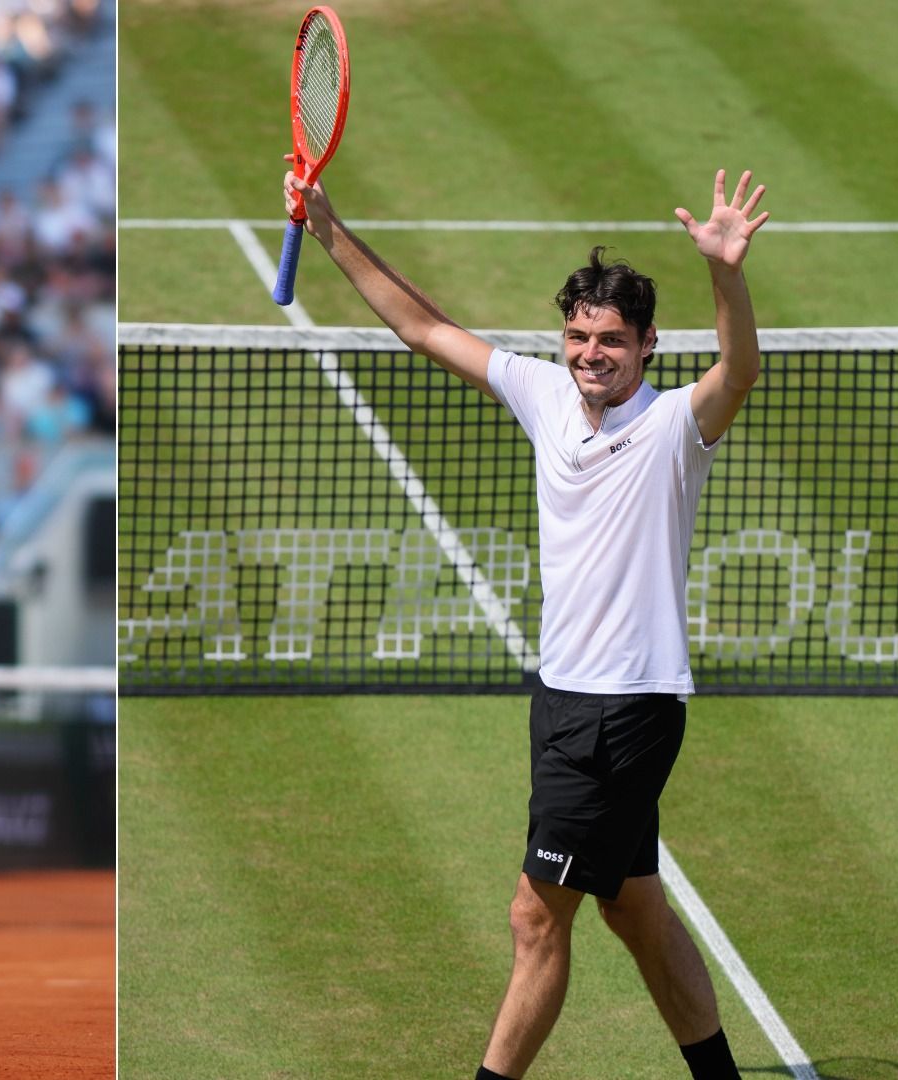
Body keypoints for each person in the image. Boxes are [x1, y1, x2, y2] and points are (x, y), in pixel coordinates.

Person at [285, 165, 770, 1080]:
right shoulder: (545, 395)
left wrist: (724, 270)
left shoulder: (676, 427)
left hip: (624, 711)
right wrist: (327, 227)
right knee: (633, 908)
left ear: (649, 345)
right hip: (562, 701)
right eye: (579, 336)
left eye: (612, 340)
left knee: (535, 917)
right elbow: (424, 326)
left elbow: (739, 369)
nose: (592, 353)